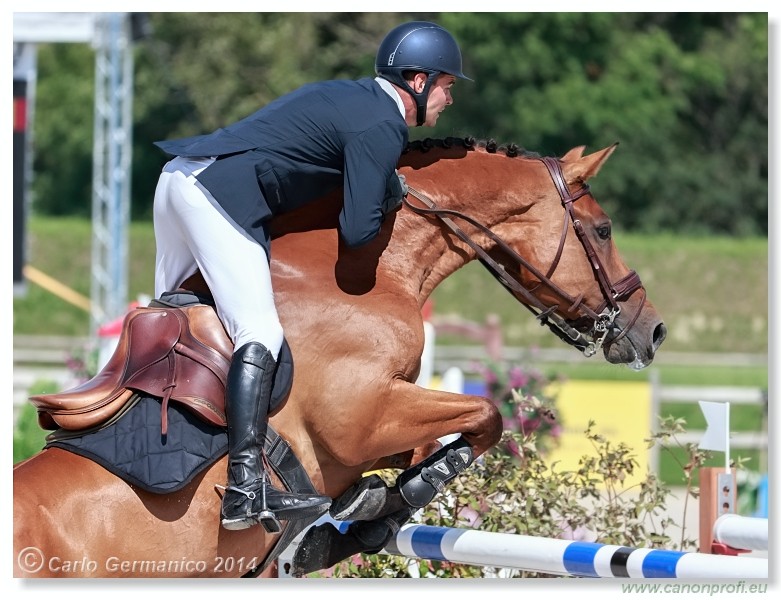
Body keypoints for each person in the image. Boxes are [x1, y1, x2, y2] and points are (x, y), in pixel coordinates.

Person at [152, 20, 471, 533]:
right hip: (216, 194)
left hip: (178, 180)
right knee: (260, 332)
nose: (449, 99)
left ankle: (145, 446)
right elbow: (358, 231)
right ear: (418, 81)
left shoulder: (352, 98)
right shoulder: (381, 123)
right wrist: (390, 188)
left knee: (175, 326)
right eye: (447, 85)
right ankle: (244, 487)